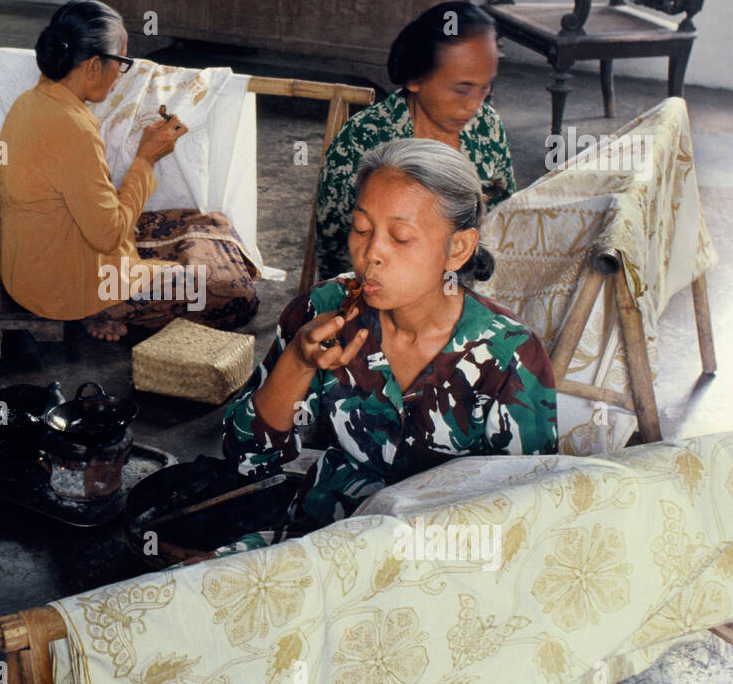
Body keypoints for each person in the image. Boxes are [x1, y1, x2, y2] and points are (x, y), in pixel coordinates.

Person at [224, 138, 556, 539]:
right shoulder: (324, 311)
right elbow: (248, 460)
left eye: (400, 237)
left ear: (458, 248)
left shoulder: (509, 356)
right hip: (319, 537)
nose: (371, 253)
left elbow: (528, 513)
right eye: (361, 228)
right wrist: (297, 362)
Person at [0, 0, 260, 341]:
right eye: (121, 62)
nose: (121, 75)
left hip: (33, 268)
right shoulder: (72, 127)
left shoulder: (30, 102)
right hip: (61, 289)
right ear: (93, 66)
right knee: (238, 294)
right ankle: (98, 307)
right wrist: (145, 160)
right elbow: (107, 235)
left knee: (211, 222)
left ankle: (106, 298)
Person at [314, 2, 516, 281]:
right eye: (461, 89)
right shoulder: (365, 138)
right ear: (415, 79)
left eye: (485, 87)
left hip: (468, 280)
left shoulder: (486, 126)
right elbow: (334, 245)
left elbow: (504, 216)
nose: (474, 105)